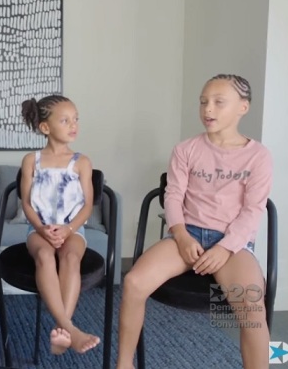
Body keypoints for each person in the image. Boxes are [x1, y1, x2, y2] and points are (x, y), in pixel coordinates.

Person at [116, 74, 272, 369]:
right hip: (186, 236)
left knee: (251, 308)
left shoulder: (258, 156)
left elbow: (253, 210)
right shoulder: (186, 149)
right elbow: (172, 197)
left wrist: (225, 248)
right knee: (134, 282)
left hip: (232, 245)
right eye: (203, 102)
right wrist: (182, 235)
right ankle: (124, 364)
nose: (207, 109)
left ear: (243, 107)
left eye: (218, 102)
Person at [19, 95, 101, 355]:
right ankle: (70, 329)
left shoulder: (82, 162)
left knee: (71, 258)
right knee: (44, 255)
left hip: (73, 228)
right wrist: (42, 229)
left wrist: (69, 229)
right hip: (38, 229)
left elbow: (88, 205)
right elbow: (27, 204)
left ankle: (61, 331)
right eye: (65, 120)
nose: (73, 125)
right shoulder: (32, 160)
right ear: (45, 128)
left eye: (75, 119)